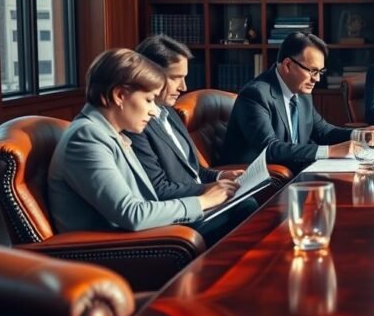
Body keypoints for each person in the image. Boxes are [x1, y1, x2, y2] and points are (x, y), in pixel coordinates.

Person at [49, 49, 236, 233]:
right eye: (149, 100)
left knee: (238, 208)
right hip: (120, 249)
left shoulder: (109, 132)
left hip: (147, 234)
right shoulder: (86, 137)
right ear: (119, 96)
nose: (154, 111)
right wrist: (204, 201)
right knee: (240, 212)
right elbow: (132, 214)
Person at [221, 32, 374, 174]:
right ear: (287, 65)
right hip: (258, 181)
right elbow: (270, 149)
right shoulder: (256, 94)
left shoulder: (301, 92)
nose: (316, 79)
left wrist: (359, 134)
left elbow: (323, 132)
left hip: (296, 172)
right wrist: (330, 151)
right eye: (312, 71)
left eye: (320, 72)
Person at [127, 35, 244, 200]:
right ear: (149, 75)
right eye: (176, 78)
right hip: (185, 210)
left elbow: (195, 171)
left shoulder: (171, 112)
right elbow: (158, 190)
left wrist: (220, 177)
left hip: (203, 199)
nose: (184, 87)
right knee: (248, 206)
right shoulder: (136, 126)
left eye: (184, 77)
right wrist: (209, 190)